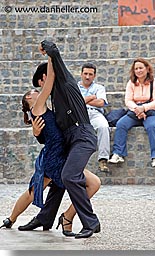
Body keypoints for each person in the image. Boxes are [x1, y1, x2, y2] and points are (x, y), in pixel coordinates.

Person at [0, 59, 101, 236]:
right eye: (33, 92)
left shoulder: (44, 109)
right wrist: (51, 58)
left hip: (60, 155)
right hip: (54, 158)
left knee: (92, 183)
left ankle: (66, 217)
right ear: (29, 99)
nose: (38, 91)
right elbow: (48, 84)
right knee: (34, 190)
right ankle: (11, 218)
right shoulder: (37, 108)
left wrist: (37, 133)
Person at [32, 40, 100, 239]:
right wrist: (37, 134)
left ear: (45, 78)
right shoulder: (55, 102)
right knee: (61, 177)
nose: (40, 89)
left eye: (41, 83)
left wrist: (48, 50)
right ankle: (46, 218)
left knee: (69, 176)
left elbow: (55, 62)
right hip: (70, 140)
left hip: (82, 135)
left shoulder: (67, 84)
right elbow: (49, 134)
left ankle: (91, 222)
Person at [108, 57, 155, 168]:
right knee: (121, 124)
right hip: (135, 112)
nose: (138, 70)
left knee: (152, 126)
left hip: (151, 112)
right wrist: (138, 110)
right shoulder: (131, 83)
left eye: (141, 68)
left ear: (147, 69)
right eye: (136, 68)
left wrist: (143, 108)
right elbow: (128, 101)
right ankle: (118, 154)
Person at [78, 63, 110, 172]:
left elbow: (101, 102)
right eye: (85, 74)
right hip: (79, 114)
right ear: (81, 74)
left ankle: (103, 159)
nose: (87, 77)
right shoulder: (74, 87)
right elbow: (74, 104)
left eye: (90, 74)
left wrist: (83, 100)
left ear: (94, 76)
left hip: (95, 113)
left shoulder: (99, 88)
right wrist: (91, 97)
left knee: (103, 126)